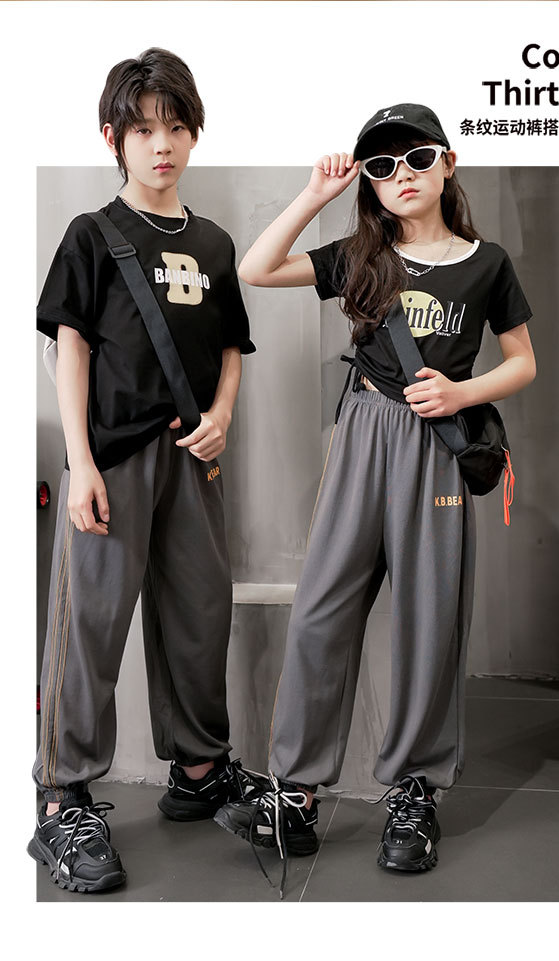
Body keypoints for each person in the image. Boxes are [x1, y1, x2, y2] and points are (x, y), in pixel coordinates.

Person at [214, 104, 536, 881]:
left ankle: (415, 791)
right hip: (363, 432)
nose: (403, 175)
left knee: (430, 615)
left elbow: (523, 360)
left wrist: (461, 393)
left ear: (449, 163)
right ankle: (295, 793)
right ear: (371, 182)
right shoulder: (362, 256)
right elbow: (256, 268)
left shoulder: (487, 263)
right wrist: (314, 195)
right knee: (324, 606)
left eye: (418, 157)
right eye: (383, 166)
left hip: (437, 443)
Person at [29, 48, 260, 893]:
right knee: (90, 627)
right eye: (144, 129)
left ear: (194, 134)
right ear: (114, 139)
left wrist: (223, 414)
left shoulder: (214, 242)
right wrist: (82, 461)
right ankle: (63, 797)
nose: (161, 144)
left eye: (176, 126)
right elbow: (72, 349)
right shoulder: (92, 234)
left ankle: (199, 770)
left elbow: (232, 345)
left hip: (192, 457)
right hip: (114, 457)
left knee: (199, 614)